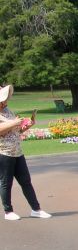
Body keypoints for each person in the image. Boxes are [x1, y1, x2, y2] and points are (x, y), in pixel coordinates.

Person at [0, 85, 52, 220]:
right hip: (4, 153)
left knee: (26, 181)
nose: (5, 102)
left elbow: (15, 130)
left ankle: (36, 209)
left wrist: (27, 125)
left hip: (17, 152)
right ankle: (8, 211)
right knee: (6, 183)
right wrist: (14, 123)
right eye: (3, 100)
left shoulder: (7, 111)